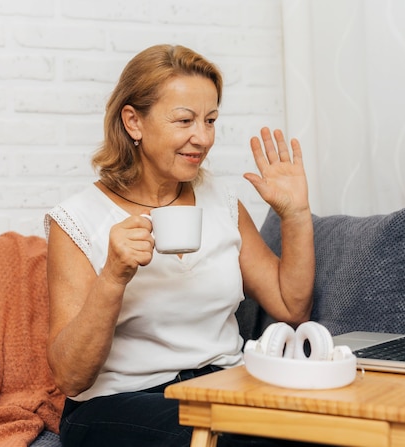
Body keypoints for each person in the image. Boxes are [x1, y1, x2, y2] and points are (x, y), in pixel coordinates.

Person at [44, 44, 316, 447]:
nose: (202, 138)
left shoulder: (221, 202)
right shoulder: (78, 219)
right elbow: (70, 376)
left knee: (326, 425)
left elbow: (291, 306)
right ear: (133, 122)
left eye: (210, 120)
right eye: (184, 120)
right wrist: (113, 276)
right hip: (120, 403)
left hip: (222, 388)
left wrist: (295, 215)